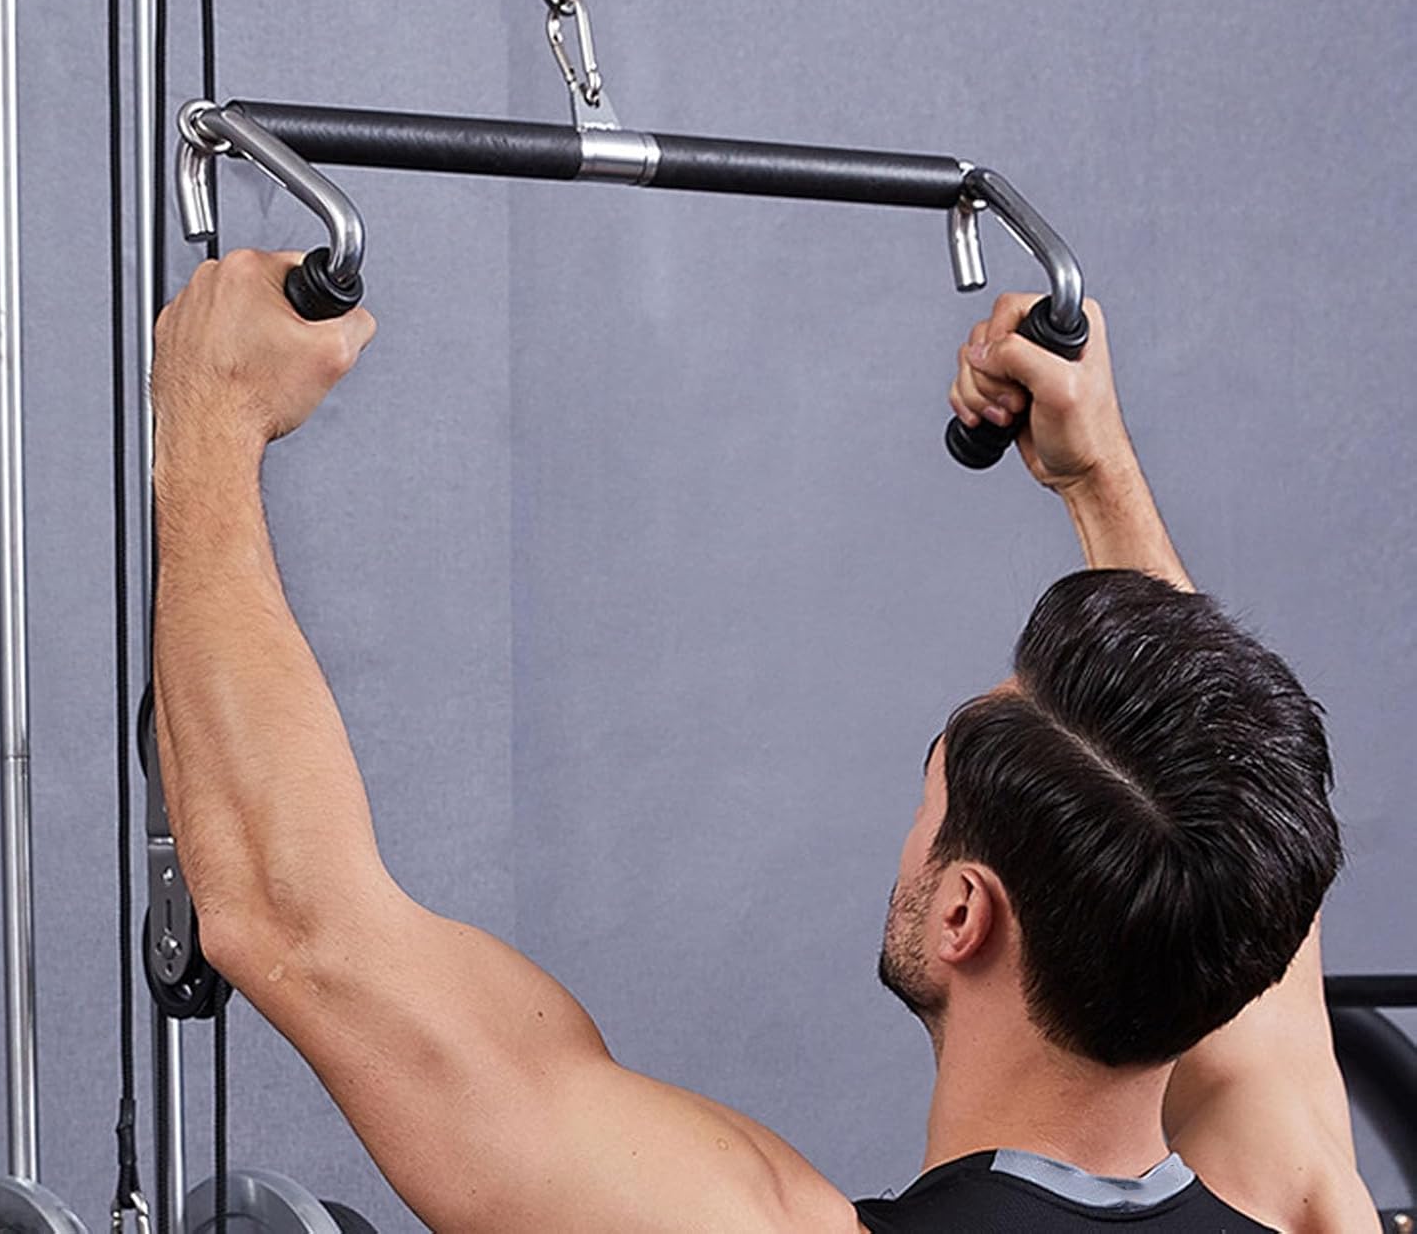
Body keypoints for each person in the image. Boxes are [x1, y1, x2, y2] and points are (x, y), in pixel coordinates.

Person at [150, 253, 1379, 1233]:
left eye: (926, 792)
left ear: (962, 912)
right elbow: (1233, 851)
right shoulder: (1306, 1200)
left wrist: (211, 415)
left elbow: (292, 915)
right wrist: (1096, 473)